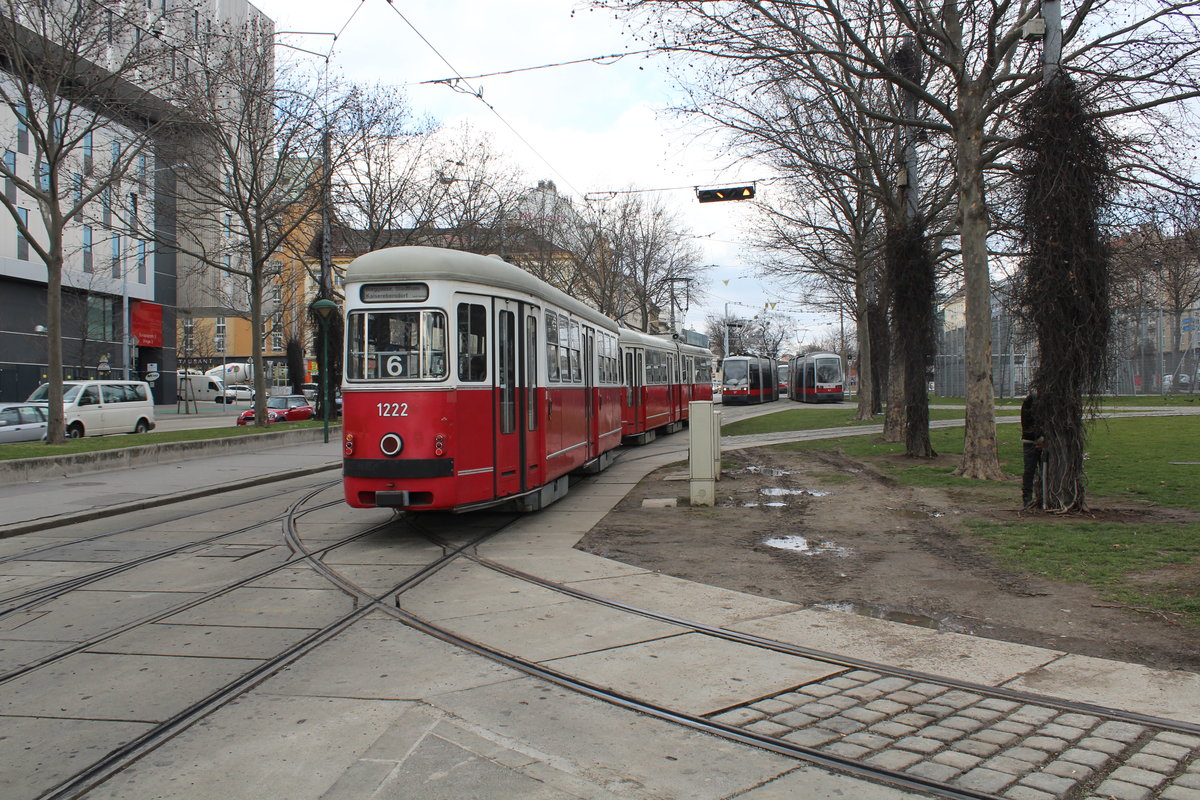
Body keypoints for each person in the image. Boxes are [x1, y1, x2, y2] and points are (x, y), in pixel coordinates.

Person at [1020, 388, 1044, 510]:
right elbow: (1027, 421)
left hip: (1044, 441)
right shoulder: (1032, 399)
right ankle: (1027, 499)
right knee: (1030, 470)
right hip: (1031, 441)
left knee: (1044, 471)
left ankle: (1043, 498)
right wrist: (1038, 438)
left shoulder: (1045, 399)